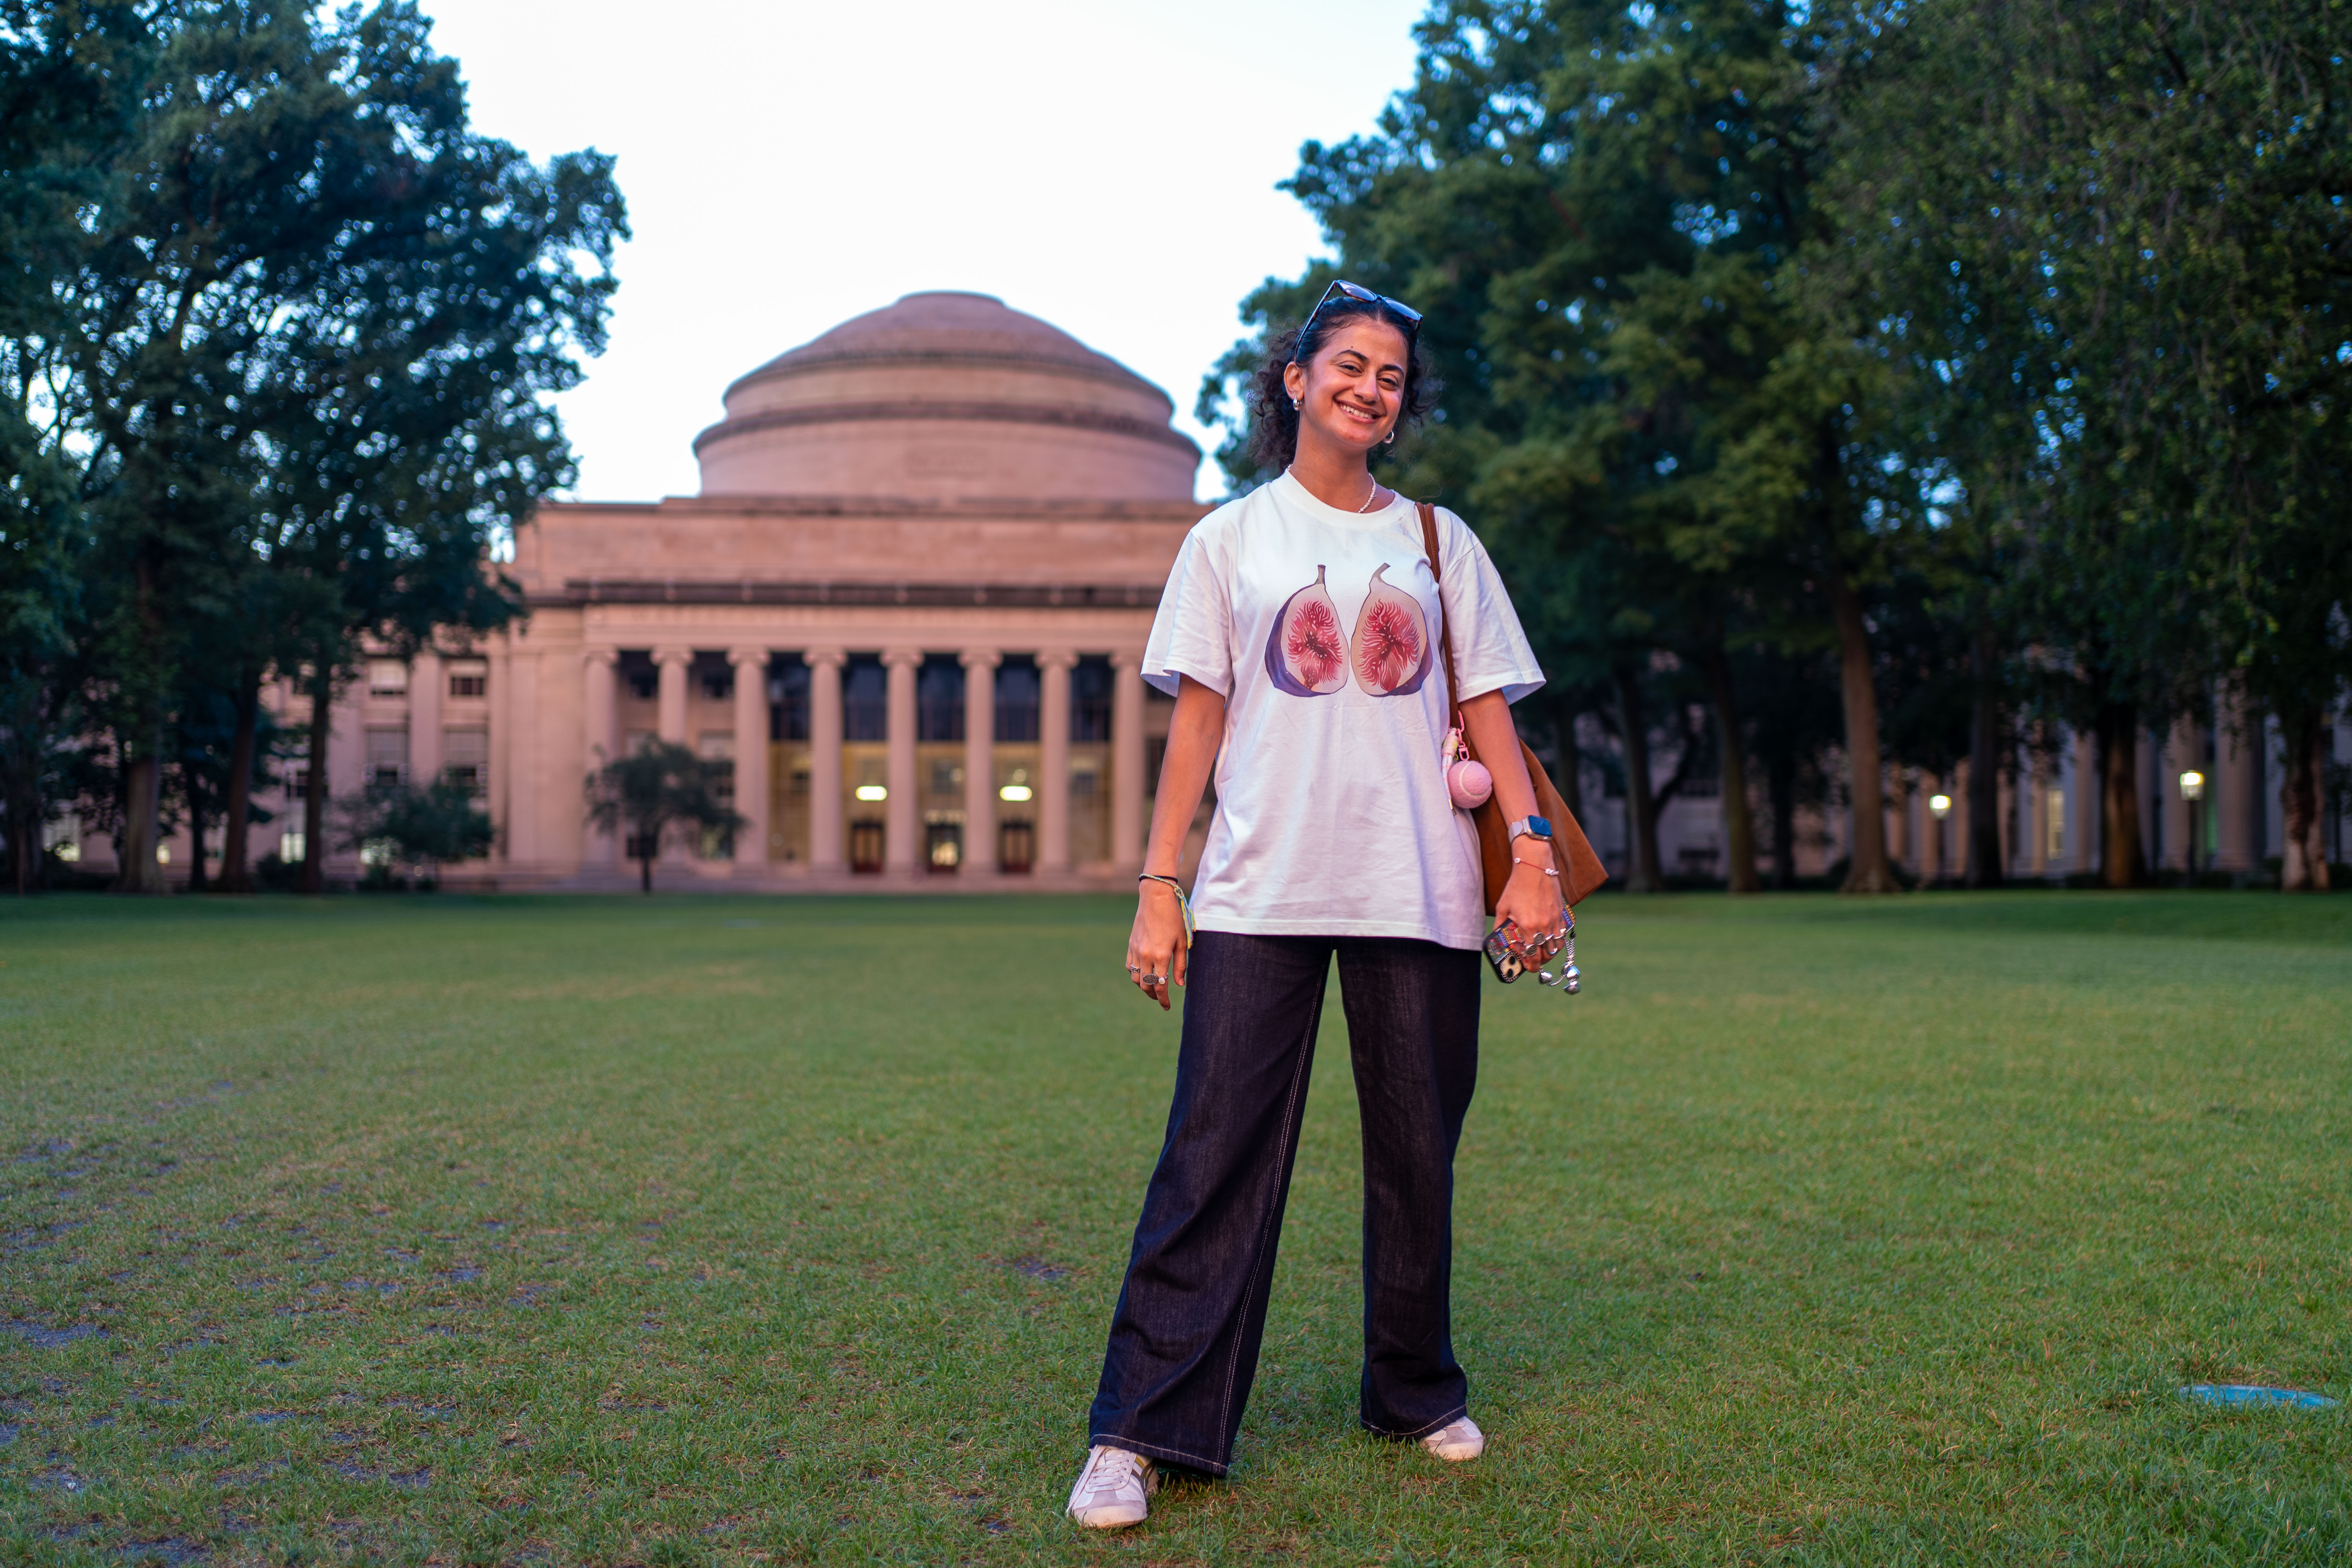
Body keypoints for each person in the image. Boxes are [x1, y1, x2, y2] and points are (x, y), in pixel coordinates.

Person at [1064, 280, 1569, 1529]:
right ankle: (1139, 1430)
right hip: (1257, 887)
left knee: (1417, 1153)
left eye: (1392, 377)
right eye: (1348, 364)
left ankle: (1412, 1390)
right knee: (1212, 1155)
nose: (1369, 387)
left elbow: (1492, 708)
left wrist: (1536, 850)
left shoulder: (1442, 541)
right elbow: (1199, 726)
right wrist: (1158, 886)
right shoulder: (1229, 540)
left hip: (1421, 884)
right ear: (1295, 381)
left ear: (1402, 406)